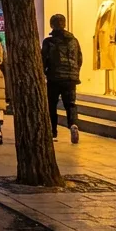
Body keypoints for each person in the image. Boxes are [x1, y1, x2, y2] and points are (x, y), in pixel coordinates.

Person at [42, 13, 83, 144]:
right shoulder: (74, 41)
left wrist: (44, 72)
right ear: (64, 24)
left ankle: (53, 131)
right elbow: (79, 58)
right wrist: (75, 72)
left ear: (52, 25)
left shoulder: (49, 42)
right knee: (70, 104)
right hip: (71, 78)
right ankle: (73, 125)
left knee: (52, 104)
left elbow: (43, 60)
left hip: (54, 77)